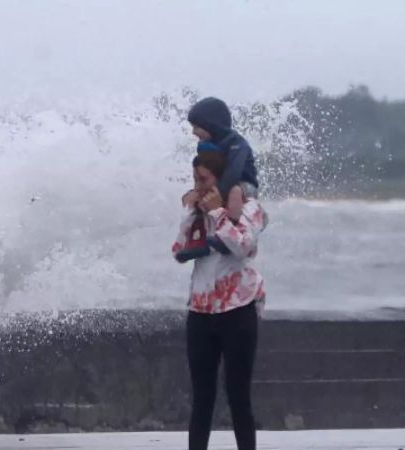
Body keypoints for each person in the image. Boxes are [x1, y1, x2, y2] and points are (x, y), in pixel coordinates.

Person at [172, 151, 267, 450]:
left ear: (221, 180)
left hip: (237, 312)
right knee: (202, 398)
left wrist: (217, 213)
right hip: (200, 312)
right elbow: (179, 249)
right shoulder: (198, 210)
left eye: (204, 180)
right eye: (194, 179)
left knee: (238, 396)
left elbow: (242, 247)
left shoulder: (249, 209)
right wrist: (193, 211)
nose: (198, 186)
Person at [186, 97, 260, 221]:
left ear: (211, 125)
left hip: (244, 187)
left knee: (234, 191)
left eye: (197, 127)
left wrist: (218, 193)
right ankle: (200, 224)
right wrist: (198, 191)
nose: (193, 132)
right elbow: (201, 171)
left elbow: (233, 173)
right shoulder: (204, 145)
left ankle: (234, 222)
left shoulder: (237, 144)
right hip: (219, 184)